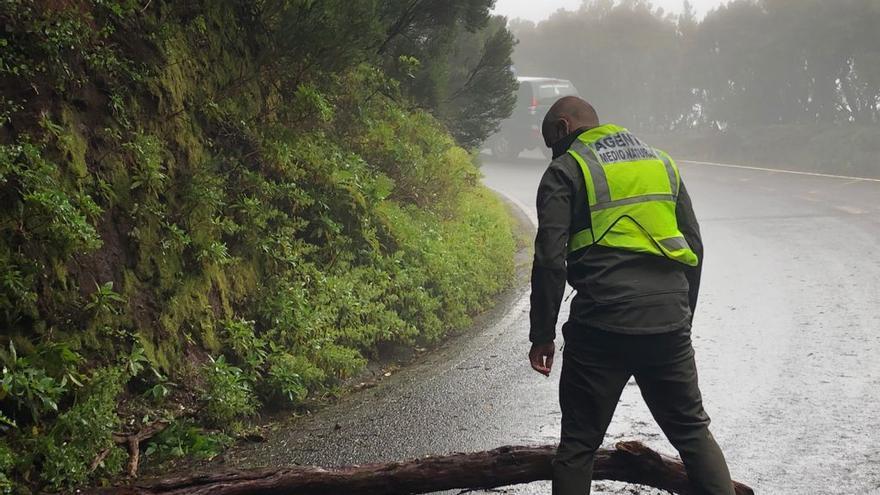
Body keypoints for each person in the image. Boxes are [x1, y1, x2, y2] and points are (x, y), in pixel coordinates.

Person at [527, 96, 735, 495]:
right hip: (667, 322)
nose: (552, 152)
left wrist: (542, 335)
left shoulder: (566, 168)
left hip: (602, 324)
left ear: (562, 128)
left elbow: (550, 260)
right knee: (693, 433)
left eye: (551, 142)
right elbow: (694, 244)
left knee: (578, 446)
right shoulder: (660, 162)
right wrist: (680, 319)